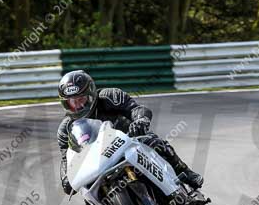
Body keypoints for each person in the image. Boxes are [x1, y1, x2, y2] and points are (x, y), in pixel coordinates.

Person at [57, 70, 203, 194]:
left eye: (81, 99)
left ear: (91, 94)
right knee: (87, 193)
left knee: (156, 143)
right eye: (72, 102)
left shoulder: (109, 96)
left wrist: (141, 120)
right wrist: (66, 178)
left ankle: (186, 172)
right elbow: (67, 159)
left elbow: (136, 109)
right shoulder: (65, 130)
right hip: (97, 162)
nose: (78, 106)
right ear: (65, 103)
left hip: (130, 141)